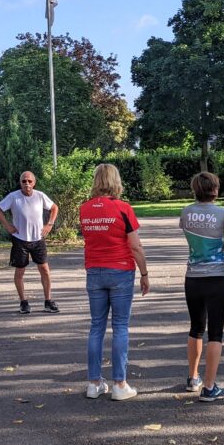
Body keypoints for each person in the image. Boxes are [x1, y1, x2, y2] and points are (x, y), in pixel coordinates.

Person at [79, 164, 150, 401]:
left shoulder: (85, 209)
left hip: (94, 271)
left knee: (96, 327)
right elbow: (135, 246)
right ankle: (120, 384)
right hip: (120, 271)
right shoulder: (123, 209)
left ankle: (94, 382)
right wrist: (144, 273)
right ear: (115, 181)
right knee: (120, 326)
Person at [179, 172, 224, 401]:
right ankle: (210, 387)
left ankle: (193, 378)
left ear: (195, 189)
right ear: (215, 189)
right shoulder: (223, 214)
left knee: (195, 327)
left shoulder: (186, 212)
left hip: (192, 277)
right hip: (217, 277)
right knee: (216, 333)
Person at [0, 171, 60, 315]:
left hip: (38, 239)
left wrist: (49, 224)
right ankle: (23, 303)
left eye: (29, 181)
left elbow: (54, 208)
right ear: (20, 183)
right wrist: (7, 225)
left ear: (34, 182)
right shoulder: (13, 197)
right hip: (20, 239)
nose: (27, 184)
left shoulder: (40, 196)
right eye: (24, 181)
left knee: (44, 269)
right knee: (20, 271)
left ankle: (48, 301)